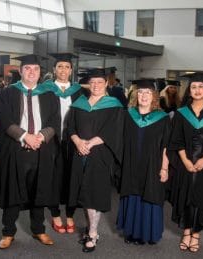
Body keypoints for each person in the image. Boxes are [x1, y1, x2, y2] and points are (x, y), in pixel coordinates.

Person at [0, 54, 60, 249]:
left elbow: (54, 121)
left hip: (42, 149)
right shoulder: (7, 93)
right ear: (21, 71)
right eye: (27, 69)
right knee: (12, 190)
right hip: (16, 149)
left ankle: (38, 230)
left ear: (40, 72)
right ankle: (8, 232)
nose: (31, 72)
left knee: (39, 190)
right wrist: (25, 136)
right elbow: (4, 120)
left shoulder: (49, 94)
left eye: (35, 69)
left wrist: (40, 137)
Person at [67, 69, 124, 252]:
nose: (96, 86)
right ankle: (90, 227)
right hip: (79, 152)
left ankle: (92, 232)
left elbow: (113, 130)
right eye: (92, 83)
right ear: (88, 84)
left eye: (100, 82)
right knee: (83, 191)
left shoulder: (113, 105)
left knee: (94, 192)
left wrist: (89, 144)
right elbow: (70, 126)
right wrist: (77, 141)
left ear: (106, 83)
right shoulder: (79, 103)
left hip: (99, 154)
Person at [117, 79, 170, 245]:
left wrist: (164, 168)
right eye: (140, 92)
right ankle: (132, 232)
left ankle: (149, 233)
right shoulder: (127, 115)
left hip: (152, 166)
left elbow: (166, 146)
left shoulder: (162, 118)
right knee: (132, 195)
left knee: (150, 196)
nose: (144, 96)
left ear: (154, 96)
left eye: (148, 92)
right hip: (131, 165)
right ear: (135, 95)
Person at [168, 73, 203, 253]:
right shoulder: (181, 113)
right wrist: (186, 161)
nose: (197, 90)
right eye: (193, 87)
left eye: (201, 87)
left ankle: (196, 234)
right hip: (185, 163)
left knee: (202, 198)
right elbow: (175, 140)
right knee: (185, 196)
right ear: (189, 90)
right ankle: (186, 231)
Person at [41, 53, 82, 234]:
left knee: (73, 177)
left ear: (71, 70)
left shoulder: (79, 91)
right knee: (53, 177)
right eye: (60, 67)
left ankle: (70, 214)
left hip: (73, 140)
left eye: (67, 67)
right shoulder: (46, 89)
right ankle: (56, 214)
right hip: (52, 140)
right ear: (54, 70)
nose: (63, 70)